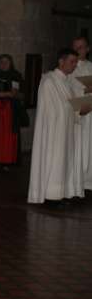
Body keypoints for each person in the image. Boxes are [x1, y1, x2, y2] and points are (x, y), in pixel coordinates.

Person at [28, 48, 88, 204]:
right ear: (61, 61)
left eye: (75, 62)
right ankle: (51, 196)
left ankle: (62, 193)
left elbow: (70, 105)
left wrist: (80, 107)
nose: (74, 65)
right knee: (54, 161)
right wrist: (74, 108)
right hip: (54, 132)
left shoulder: (67, 82)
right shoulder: (49, 81)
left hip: (65, 130)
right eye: (72, 62)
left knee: (64, 163)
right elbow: (51, 109)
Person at [0, 54, 25, 168]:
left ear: (11, 64)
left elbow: (15, 93)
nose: (4, 64)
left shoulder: (15, 75)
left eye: (6, 62)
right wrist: (6, 94)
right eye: (1, 62)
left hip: (10, 111)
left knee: (8, 136)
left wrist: (1, 94)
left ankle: (8, 161)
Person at [69, 36, 92, 191]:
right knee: (77, 146)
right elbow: (67, 89)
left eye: (81, 47)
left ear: (87, 49)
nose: (78, 50)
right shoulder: (70, 67)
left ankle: (89, 181)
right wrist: (84, 90)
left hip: (91, 115)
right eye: (75, 47)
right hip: (76, 113)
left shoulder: (91, 66)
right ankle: (76, 181)